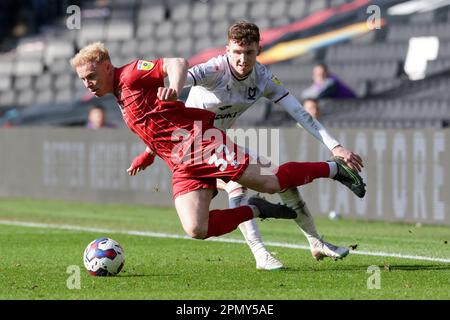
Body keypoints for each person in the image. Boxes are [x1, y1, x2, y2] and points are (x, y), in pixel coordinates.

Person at [70, 42, 365, 255]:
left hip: (203, 144)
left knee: (271, 181)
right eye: (83, 79)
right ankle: (255, 209)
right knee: (196, 229)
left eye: (92, 76)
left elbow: (177, 62)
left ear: (107, 66)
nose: (88, 84)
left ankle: (333, 168)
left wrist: (174, 87)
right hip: (180, 161)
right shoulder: (119, 96)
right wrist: (148, 153)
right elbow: (157, 124)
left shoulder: (132, 74)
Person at [183, 21, 363, 270]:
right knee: (200, 223)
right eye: (237, 52)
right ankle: (260, 253)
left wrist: (336, 146)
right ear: (227, 50)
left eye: (249, 53)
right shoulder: (213, 70)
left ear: (258, 49)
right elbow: (180, 79)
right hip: (189, 150)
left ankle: (315, 241)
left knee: (279, 181)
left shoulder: (263, 78)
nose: (242, 60)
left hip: (219, 146)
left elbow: (301, 114)